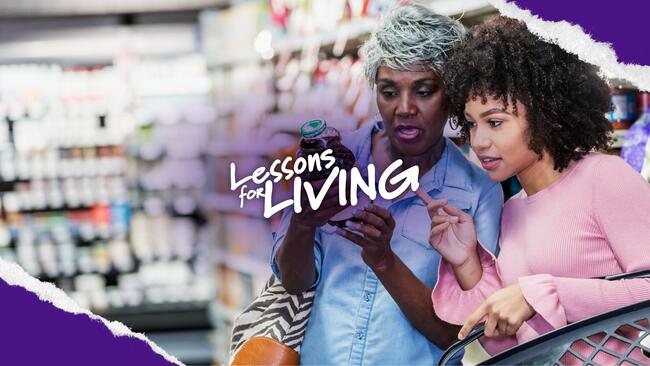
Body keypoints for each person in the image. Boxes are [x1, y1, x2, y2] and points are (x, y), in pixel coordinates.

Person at [270, 4, 504, 365]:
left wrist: (384, 260)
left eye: (424, 91)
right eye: (389, 91)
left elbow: (459, 334)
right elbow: (294, 282)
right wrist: (302, 223)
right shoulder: (331, 162)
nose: (404, 108)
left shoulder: (477, 193)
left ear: (453, 95)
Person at [429, 16, 650, 363]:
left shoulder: (604, 178)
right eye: (472, 124)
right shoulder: (513, 210)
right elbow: (506, 342)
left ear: (546, 113)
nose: (479, 141)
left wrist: (543, 294)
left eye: (496, 122)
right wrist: (467, 263)